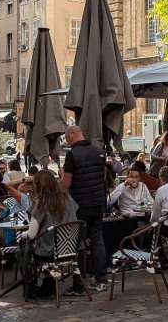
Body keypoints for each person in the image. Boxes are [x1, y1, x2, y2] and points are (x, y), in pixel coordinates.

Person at [61, 125, 108, 295]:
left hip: (80, 205)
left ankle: (79, 284)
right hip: (97, 202)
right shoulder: (99, 152)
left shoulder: (72, 155)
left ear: (71, 137)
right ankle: (101, 279)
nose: (68, 143)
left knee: (79, 243)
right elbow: (103, 177)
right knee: (97, 239)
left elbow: (66, 184)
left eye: (67, 140)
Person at [22, 170, 78, 259]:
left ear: (37, 186)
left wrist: (22, 234)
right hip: (71, 248)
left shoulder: (38, 204)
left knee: (24, 244)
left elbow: (31, 235)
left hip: (48, 252)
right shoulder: (67, 198)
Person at [149, 166, 168, 268]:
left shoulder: (162, 190)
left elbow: (156, 214)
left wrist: (151, 224)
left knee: (153, 230)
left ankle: (161, 261)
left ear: (162, 179)